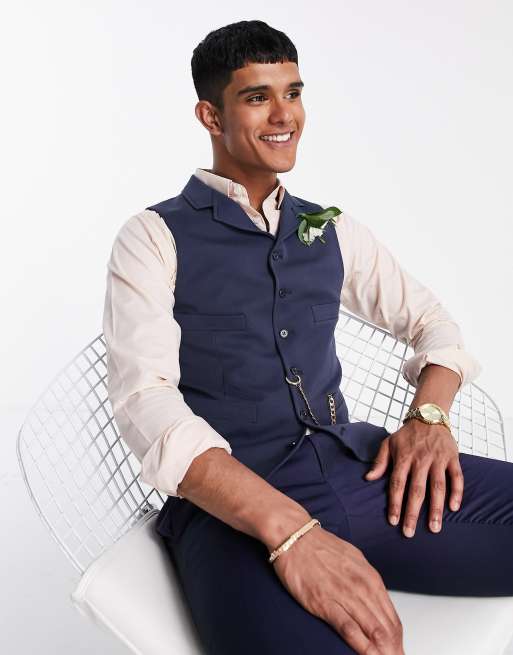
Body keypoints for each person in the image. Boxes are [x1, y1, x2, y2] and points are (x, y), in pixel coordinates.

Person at [102, 19, 513, 655]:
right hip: (232, 516)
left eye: (292, 93)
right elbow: (145, 403)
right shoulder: (153, 237)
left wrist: (429, 417)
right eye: (257, 97)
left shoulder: (330, 228)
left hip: (362, 478)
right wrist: (291, 532)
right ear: (210, 116)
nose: (283, 115)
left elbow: (433, 323)